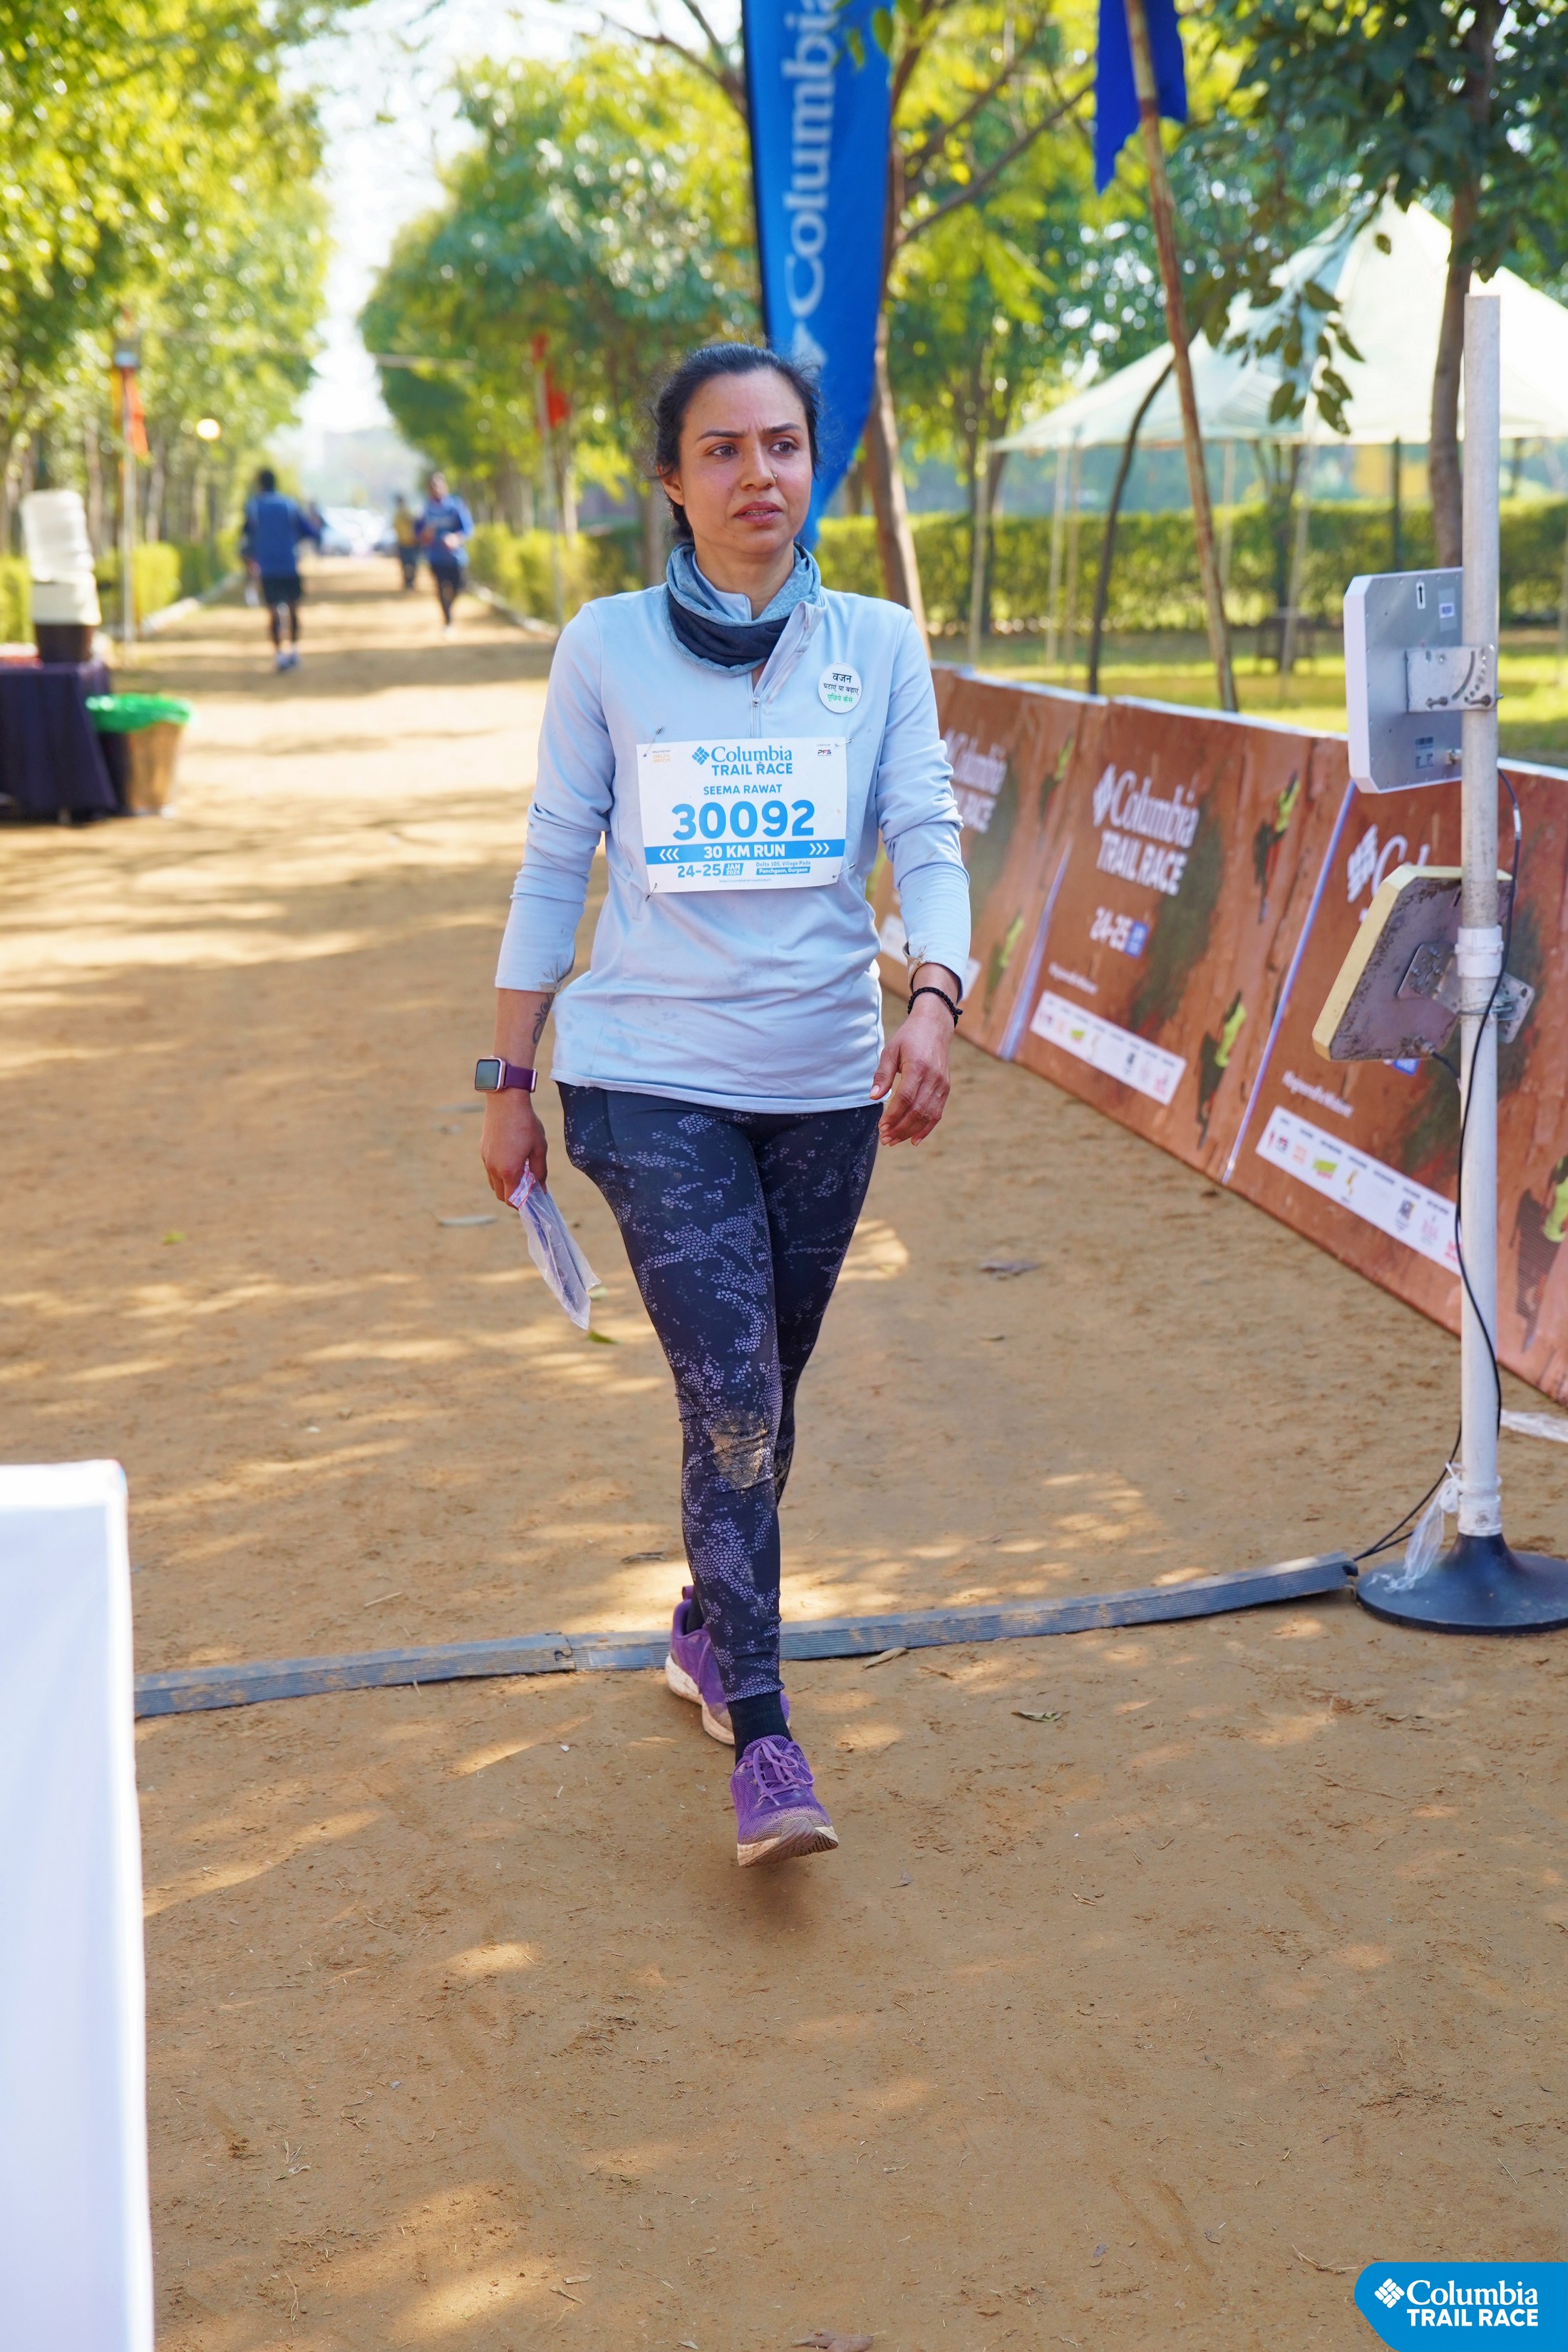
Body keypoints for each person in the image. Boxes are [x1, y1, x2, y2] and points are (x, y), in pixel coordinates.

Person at [477, 343, 969, 1869]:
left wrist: (936, 997)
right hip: (644, 1079)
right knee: (739, 1400)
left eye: (782, 445)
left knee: (757, 1394)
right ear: (671, 481)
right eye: (722, 450)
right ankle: (762, 1731)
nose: (759, 474)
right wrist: (507, 1078)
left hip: (821, 1086)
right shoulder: (606, 647)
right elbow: (553, 861)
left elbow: (926, 833)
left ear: (813, 462)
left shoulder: (877, 643)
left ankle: (702, 1623)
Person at [240, 469, 321, 672]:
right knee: (293, 609)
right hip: (289, 566)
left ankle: (279, 656)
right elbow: (308, 531)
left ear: (260, 484)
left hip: (268, 569)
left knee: (273, 612)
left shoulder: (254, 507)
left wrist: (249, 560)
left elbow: (246, 537)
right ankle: (294, 651)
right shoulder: (290, 505)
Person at [416, 471, 473, 627]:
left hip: (456, 557)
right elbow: (418, 533)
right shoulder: (425, 510)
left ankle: (449, 608)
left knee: (459, 587)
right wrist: (425, 535)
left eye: (439, 486)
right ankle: (447, 619)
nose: (436, 490)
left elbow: (468, 529)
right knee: (441, 588)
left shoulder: (455, 507)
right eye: (433, 487)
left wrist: (456, 539)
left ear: (445, 487)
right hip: (436, 557)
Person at [391, 494, 420, 589]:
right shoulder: (397, 515)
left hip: (412, 543)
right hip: (402, 542)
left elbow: (415, 523)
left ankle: (412, 581)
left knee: (413, 564)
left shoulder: (408, 512)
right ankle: (407, 582)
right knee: (404, 564)